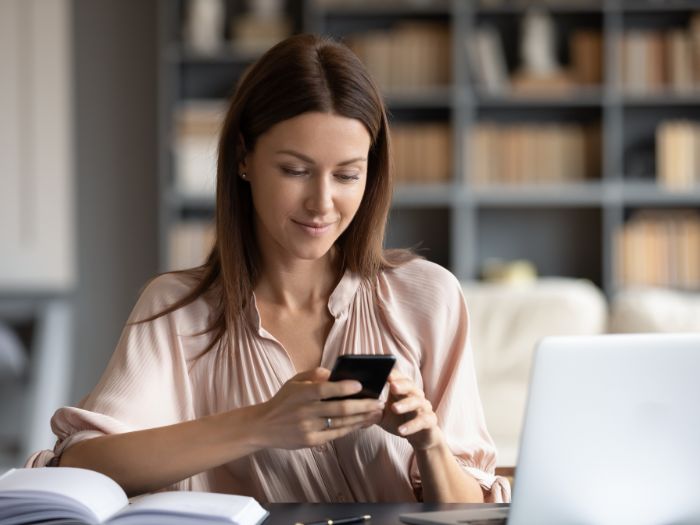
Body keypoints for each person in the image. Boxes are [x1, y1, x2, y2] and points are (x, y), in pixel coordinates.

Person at [27, 34, 510, 504]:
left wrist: (430, 442)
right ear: (244, 158)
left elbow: (472, 508)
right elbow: (81, 466)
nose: (322, 203)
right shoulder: (179, 311)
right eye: (295, 170)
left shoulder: (428, 296)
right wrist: (263, 423)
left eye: (346, 174)